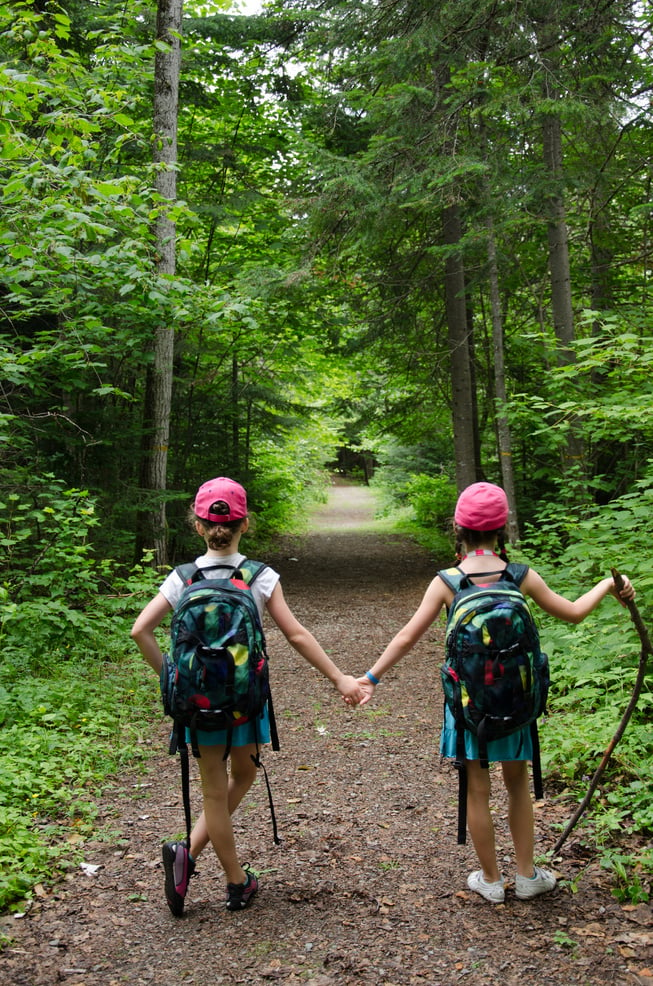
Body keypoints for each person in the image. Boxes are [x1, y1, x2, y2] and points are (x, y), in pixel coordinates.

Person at [356, 481, 635, 904]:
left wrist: (370, 678)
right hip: (516, 703)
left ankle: (489, 880)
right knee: (518, 785)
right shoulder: (520, 576)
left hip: (470, 708)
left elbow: (408, 636)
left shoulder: (448, 582)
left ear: (458, 528)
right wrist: (607, 585)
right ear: (502, 529)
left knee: (477, 788)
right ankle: (526, 876)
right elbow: (574, 614)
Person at [131, 476, 364, 916]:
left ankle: (189, 854)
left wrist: (173, 678)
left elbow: (140, 630)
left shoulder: (182, 578)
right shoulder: (259, 576)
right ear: (245, 524)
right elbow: (294, 633)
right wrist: (339, 678)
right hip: (245, 698)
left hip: (198, 706)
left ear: (198, 526)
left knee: (215, 794)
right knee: (245, 772)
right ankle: (236, 881)